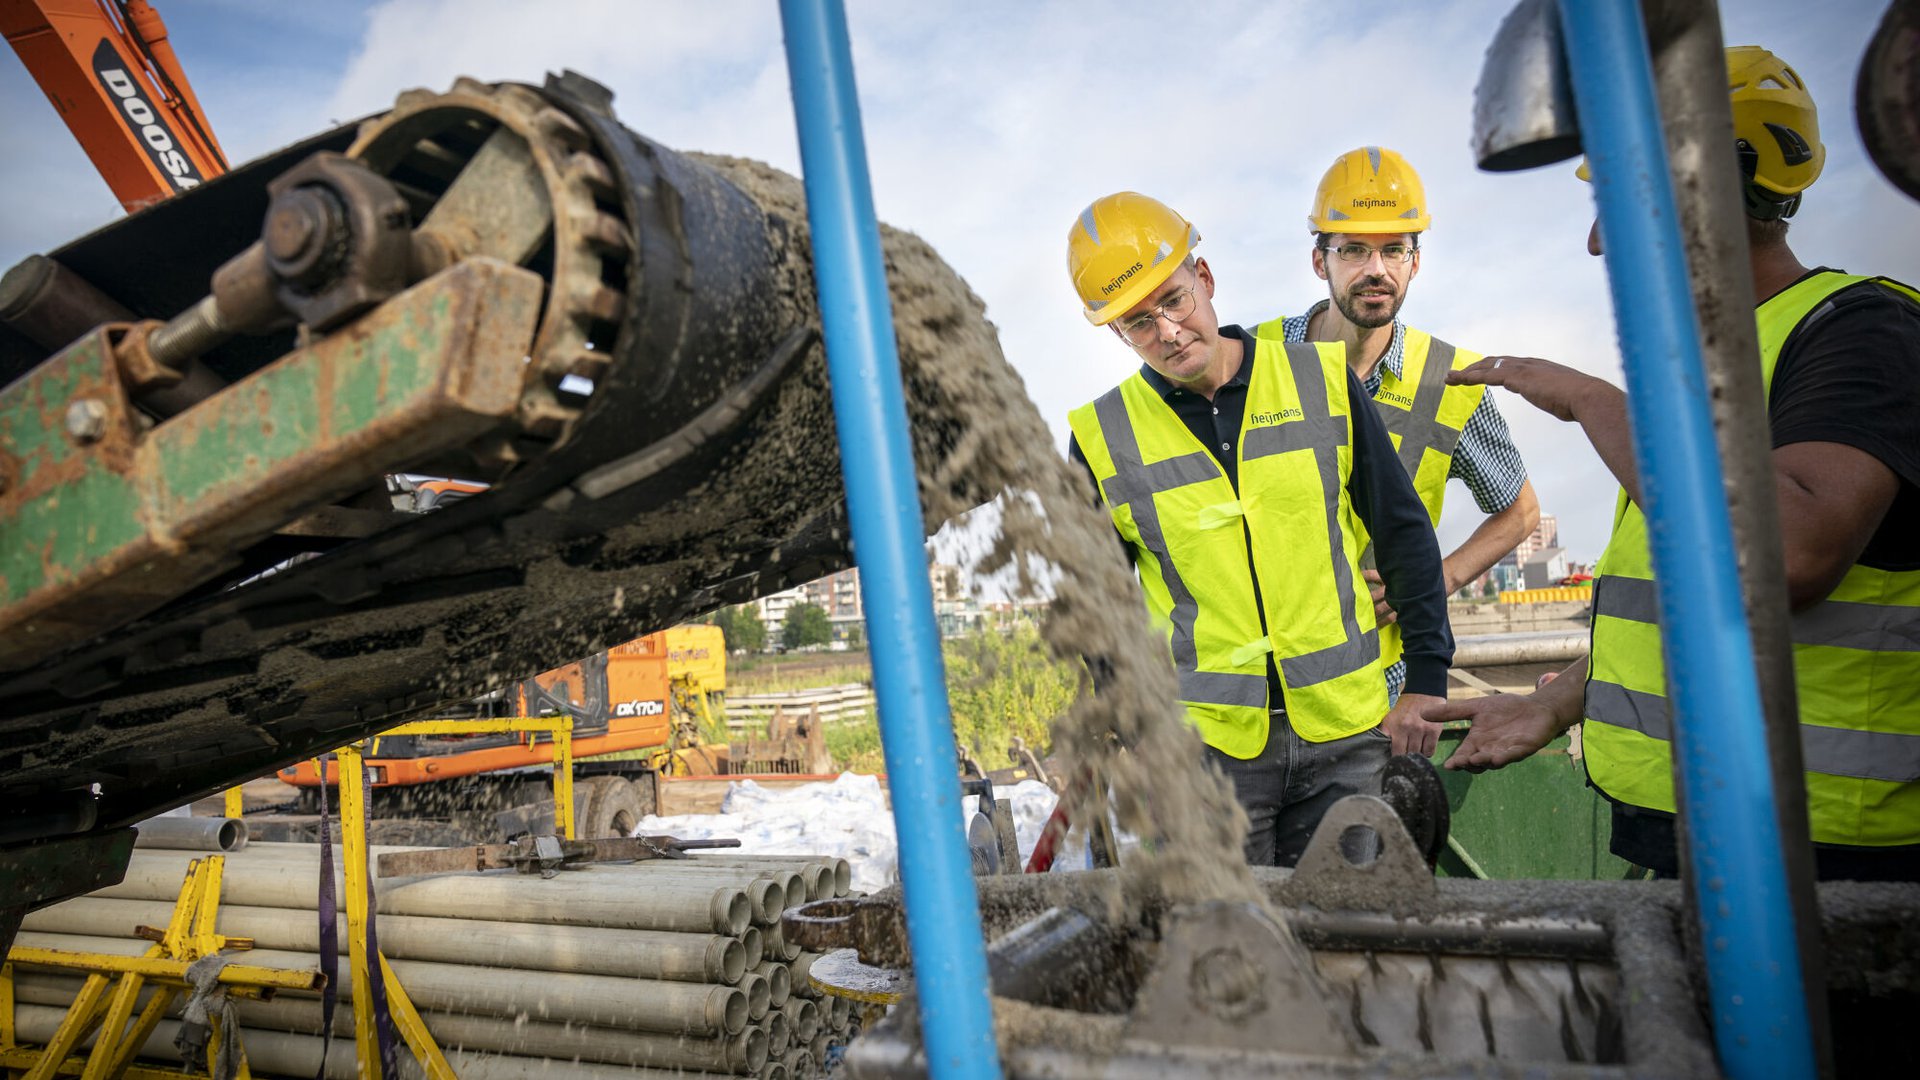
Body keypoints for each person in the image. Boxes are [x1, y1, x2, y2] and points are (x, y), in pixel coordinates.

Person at [1431, 46, 1920, 881]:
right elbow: (1689, 607)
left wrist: (1592, 400)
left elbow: (1787, 556)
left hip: (1826, 865)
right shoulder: (1702, 380)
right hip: (1702, 836)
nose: (1594, 243)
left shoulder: (1860, 333)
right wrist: (1560, 698)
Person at [1063, 192, 1453, 866]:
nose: (1169, 331)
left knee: (1356, 941)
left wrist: (1426, 677)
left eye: (1175, 301)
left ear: (1204, 280)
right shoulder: (1100, 437)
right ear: (1116, 334)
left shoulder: (1319, 379)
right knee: (1238, 956)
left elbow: (1401, 530)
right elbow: (1096, 609)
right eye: (1139, 322)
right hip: (1207, 754)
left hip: (1348, 737)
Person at [1280, 147, 1540, 704]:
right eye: (1353, 250)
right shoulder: (1258, 358)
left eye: (1393, 250)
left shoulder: (1448, 381)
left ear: (1415, 262)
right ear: (1318, 260)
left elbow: (1520, 514)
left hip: (1382, 686)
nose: (1376, 270)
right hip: (1270, 688)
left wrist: (1432, 584)